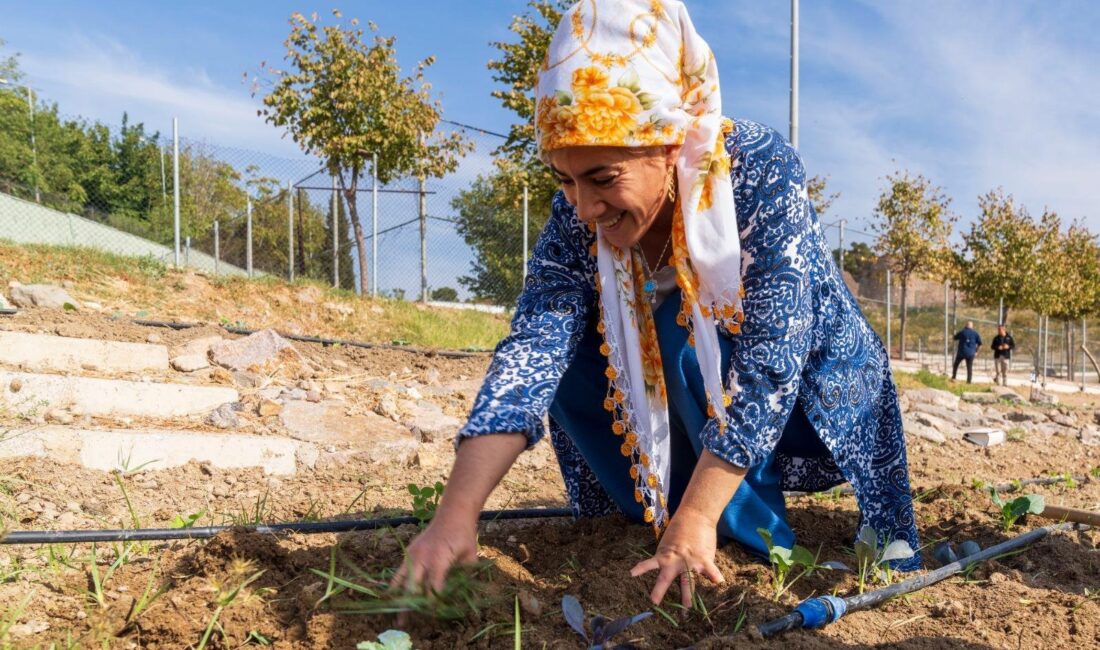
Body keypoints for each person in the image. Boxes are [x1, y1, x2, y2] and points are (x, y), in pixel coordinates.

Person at [393, 0, 920, 608]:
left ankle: (743, 540)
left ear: (668, 145)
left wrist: (696, 516)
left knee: (695, 332)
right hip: (685, 387)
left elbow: (775, 355)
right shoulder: (577, 217)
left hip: (804, 389)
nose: (584, 207)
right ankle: (652, 513)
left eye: (602, 178)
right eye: (563, 180)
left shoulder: (756, 169)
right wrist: (454, 517)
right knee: (571, 353)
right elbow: (532, 350)